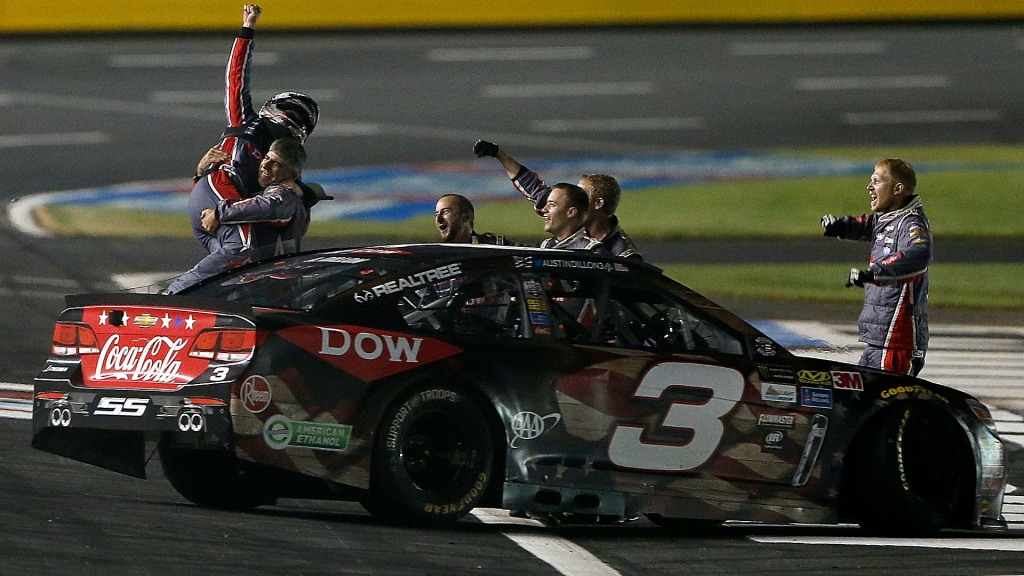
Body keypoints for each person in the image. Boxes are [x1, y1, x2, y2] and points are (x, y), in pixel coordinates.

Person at [189, 4, 321, 258]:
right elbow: (236, 78)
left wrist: (304, 195)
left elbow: (289, 210)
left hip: (232, 213)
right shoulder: (244, 123)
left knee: (256, 258)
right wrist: (246, 31)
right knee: (244, 252)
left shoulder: (286, 153)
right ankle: (175, 293)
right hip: (215, 206)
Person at [821, 159, 932, 376]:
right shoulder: (888, 218)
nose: (869, 187)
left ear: (898, 189)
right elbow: (866, 224)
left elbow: (919, 253)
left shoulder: (911, 222)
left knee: (888, 403)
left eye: (876, 181)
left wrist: (874, 273)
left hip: (898, 340)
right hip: (880, 338)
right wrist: (840, 226)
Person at [167, 138, 311, 294]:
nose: (265, 165)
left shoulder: (286, 192)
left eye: (276, 164)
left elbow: (272, 205)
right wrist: (201, 173)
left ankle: (176, 295)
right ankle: (176, 295)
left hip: (272, 284)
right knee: (236, 255)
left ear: (293, 174)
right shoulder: (294, 200)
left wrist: (218, 212)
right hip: (272, 283)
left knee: (239, 253)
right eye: (267, 158)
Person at [473, 140, 641, 259]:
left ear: (598, 204)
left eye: (581, 193)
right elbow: (532, 185)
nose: (547, 209)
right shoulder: (567, 210)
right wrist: (498, 154)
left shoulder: (622, 252)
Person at [434, 194, 516, 245]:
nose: (438, 219)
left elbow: (526, 255)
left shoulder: (496, 247)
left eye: (446, 212)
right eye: (436, 214)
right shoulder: (436, 256)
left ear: (467, 217)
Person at [540, 184, 602, 250]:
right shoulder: (546, 245)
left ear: (571, 212)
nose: (544, 209)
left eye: (552, 205)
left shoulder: (592, 250)